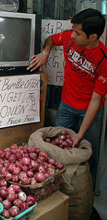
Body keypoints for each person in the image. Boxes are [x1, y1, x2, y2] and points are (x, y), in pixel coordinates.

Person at [27, 8, 107, 193]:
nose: (72, 35)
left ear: (93, 36)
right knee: (55, 148)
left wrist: (81, 133)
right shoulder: (70, 38)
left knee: (89, 155)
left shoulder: (103, 60)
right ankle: (58, 191)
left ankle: (87, 193)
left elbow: (96, 100)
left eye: (77, 32)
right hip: (66, 105)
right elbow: (51, 40)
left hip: (90, 112)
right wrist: (45, 52)